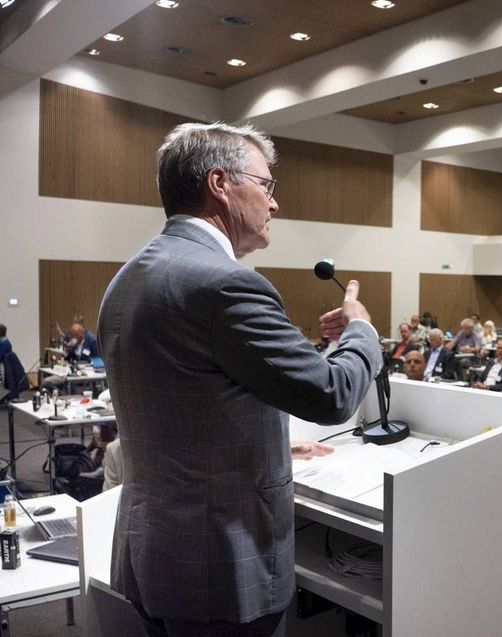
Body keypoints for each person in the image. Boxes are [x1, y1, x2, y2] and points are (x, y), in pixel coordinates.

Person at [97, 122, 382, 637]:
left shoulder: (129, 276)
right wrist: (361, 329)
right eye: (267, 185)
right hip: (220, 567)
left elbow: (192, 393)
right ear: (220, 183)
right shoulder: (226, 283)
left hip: (153, 551)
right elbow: (334, 394)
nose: (274, 204)